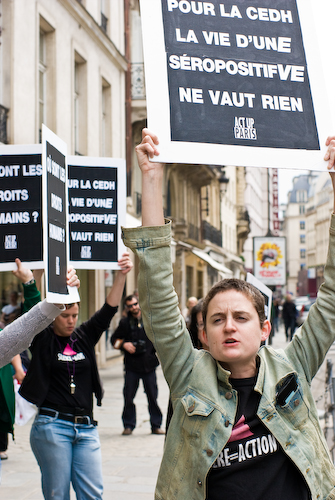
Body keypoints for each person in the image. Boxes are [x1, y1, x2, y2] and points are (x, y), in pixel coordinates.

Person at [121, 129, 335, 500]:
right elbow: (156, 296)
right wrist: (152, 179)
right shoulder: (188, 373)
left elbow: (331, 296)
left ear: (265, 328)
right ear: (202, 334)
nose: (229, 326)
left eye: (241, 317)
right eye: (217, 320)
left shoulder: (293, 366)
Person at [19, 253, 133, 500]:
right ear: (53, 315)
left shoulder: (84, 336)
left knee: (93, 495)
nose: (71, 321)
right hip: (53, 426)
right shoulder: (44, 338)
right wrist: (33, 279)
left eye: (74, 315)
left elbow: (109, 309)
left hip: (87, 428)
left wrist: (122, 275)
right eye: (64, 316)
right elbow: (31, 312)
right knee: (57, 495)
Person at [111, 294, 164, 435]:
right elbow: (113, 341)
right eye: (130, 306)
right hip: (132, 366)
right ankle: (128, 425)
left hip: (149, 365)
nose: (134, 307)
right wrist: (123, 344)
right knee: (128, 397)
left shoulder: (149, 320)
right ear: (127, 308)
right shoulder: (124, 323)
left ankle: (156, 425)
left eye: (135, 304)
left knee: (153, 397)